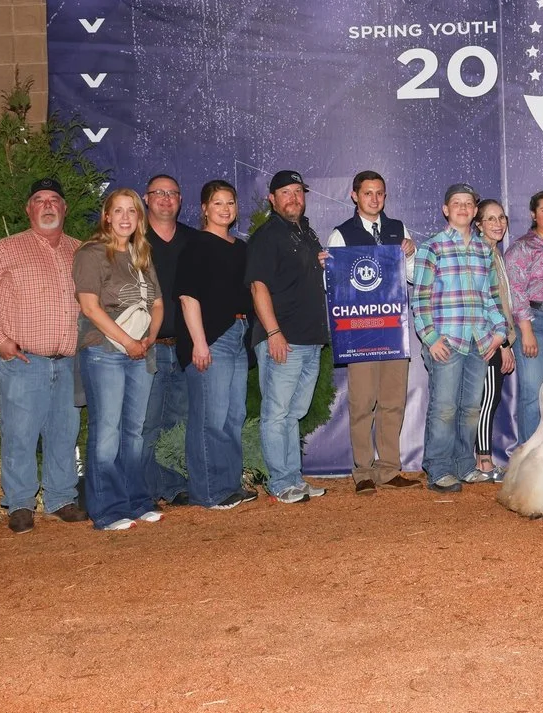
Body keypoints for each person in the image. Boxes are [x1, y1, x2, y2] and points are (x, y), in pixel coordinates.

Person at [0, 177, 87, 535]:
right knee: (20, 435)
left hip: (69, 362)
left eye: (54, 199)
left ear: (64, 208)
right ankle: (21, 503)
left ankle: (60, 498)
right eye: (40, 199)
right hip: (24, 361)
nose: (48, 205)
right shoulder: (4, 251)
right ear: (29, 209)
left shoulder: (81, 251)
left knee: (64, 432)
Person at [74, 188, 164, 532]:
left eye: (132, 211)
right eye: (119, 211)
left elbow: (157, 303)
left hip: (141, 351)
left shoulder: (142, 255)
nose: (126, 217)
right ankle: (107, 509)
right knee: (107, 431)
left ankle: (136, 500)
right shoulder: (91, 254)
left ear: (139, 218)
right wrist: (128, 342)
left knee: (135, 432)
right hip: (105, 351)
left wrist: (149, 339)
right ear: (107, 217)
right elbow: (90, 307)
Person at [327, 171, 421, 494]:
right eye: (368, 193)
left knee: (393, 401)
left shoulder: (398, 229)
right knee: (362, 402)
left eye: (379, 193)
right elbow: (332, 285)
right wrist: (327, 267)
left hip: (393, 330)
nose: (374, 199)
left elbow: (413, 277)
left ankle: (389, 469)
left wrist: (411, 255)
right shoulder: (341, 234)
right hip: (360, 332)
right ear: (355, 196)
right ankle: (363, 471)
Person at [410, 184, 508, 492]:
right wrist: (430, 338)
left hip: (479, 341)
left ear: (475, 210)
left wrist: (500, 333)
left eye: (468, 203)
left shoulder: (484, 250)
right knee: (444, 408)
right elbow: (420, 298)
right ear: (446, 210)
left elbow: (491, 297)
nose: (463, 208)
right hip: (447, 342)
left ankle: (465, 465)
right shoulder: (432, 247)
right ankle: (439, 468)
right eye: (457, 203)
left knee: (471, 408)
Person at [245, 169, 332, 504]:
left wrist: (320, 263)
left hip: (309, 339)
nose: (294, 198)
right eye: (286, 192)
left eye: (298, 191)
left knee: (293, 413)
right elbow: (258, 287)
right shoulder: (268, 236)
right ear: (272, 199)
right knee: (277, 412)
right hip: (284, 337)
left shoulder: (305, 233)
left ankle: (293, 477)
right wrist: (273, 332)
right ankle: (280, 482)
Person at [176, 180, 257, 510]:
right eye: (218, 203)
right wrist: (199, 342)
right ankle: (209, 491)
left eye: (230, 203)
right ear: (205, 208)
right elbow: (187, 296)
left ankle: (229, 484)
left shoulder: (240, 248)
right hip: (211, 338)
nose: (225, 209)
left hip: (238, 333)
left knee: (233, 416)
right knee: (210, 417)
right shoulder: (196, 245)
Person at [140, 174, 197, 507]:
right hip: (147, 346)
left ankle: (173, 484)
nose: (165, 198)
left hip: (185, 346)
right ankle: (144, 489)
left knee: (179, 420)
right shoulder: (133, 239)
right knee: (146, 421)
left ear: (180, 200)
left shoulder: (193, 239)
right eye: (158, 193)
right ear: (146, 199)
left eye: (172, 193)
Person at [506, 190, 543, 443]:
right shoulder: (523, 247)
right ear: (534, 214)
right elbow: (516, 290)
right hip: (535, 322)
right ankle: (530, 455)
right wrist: (526, 330)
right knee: (533, 393)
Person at [472, 199, 517, 481]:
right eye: (490, 219)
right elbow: (485, 302)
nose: (498, 224)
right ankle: (484, 462)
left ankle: (481, 460)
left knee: (490, 397)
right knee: (487, 400)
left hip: (497, 336)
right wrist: (503, 344)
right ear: (478, 224)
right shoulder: (480, 254)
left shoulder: (495, 252)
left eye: (501, 218)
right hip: (488, 339)